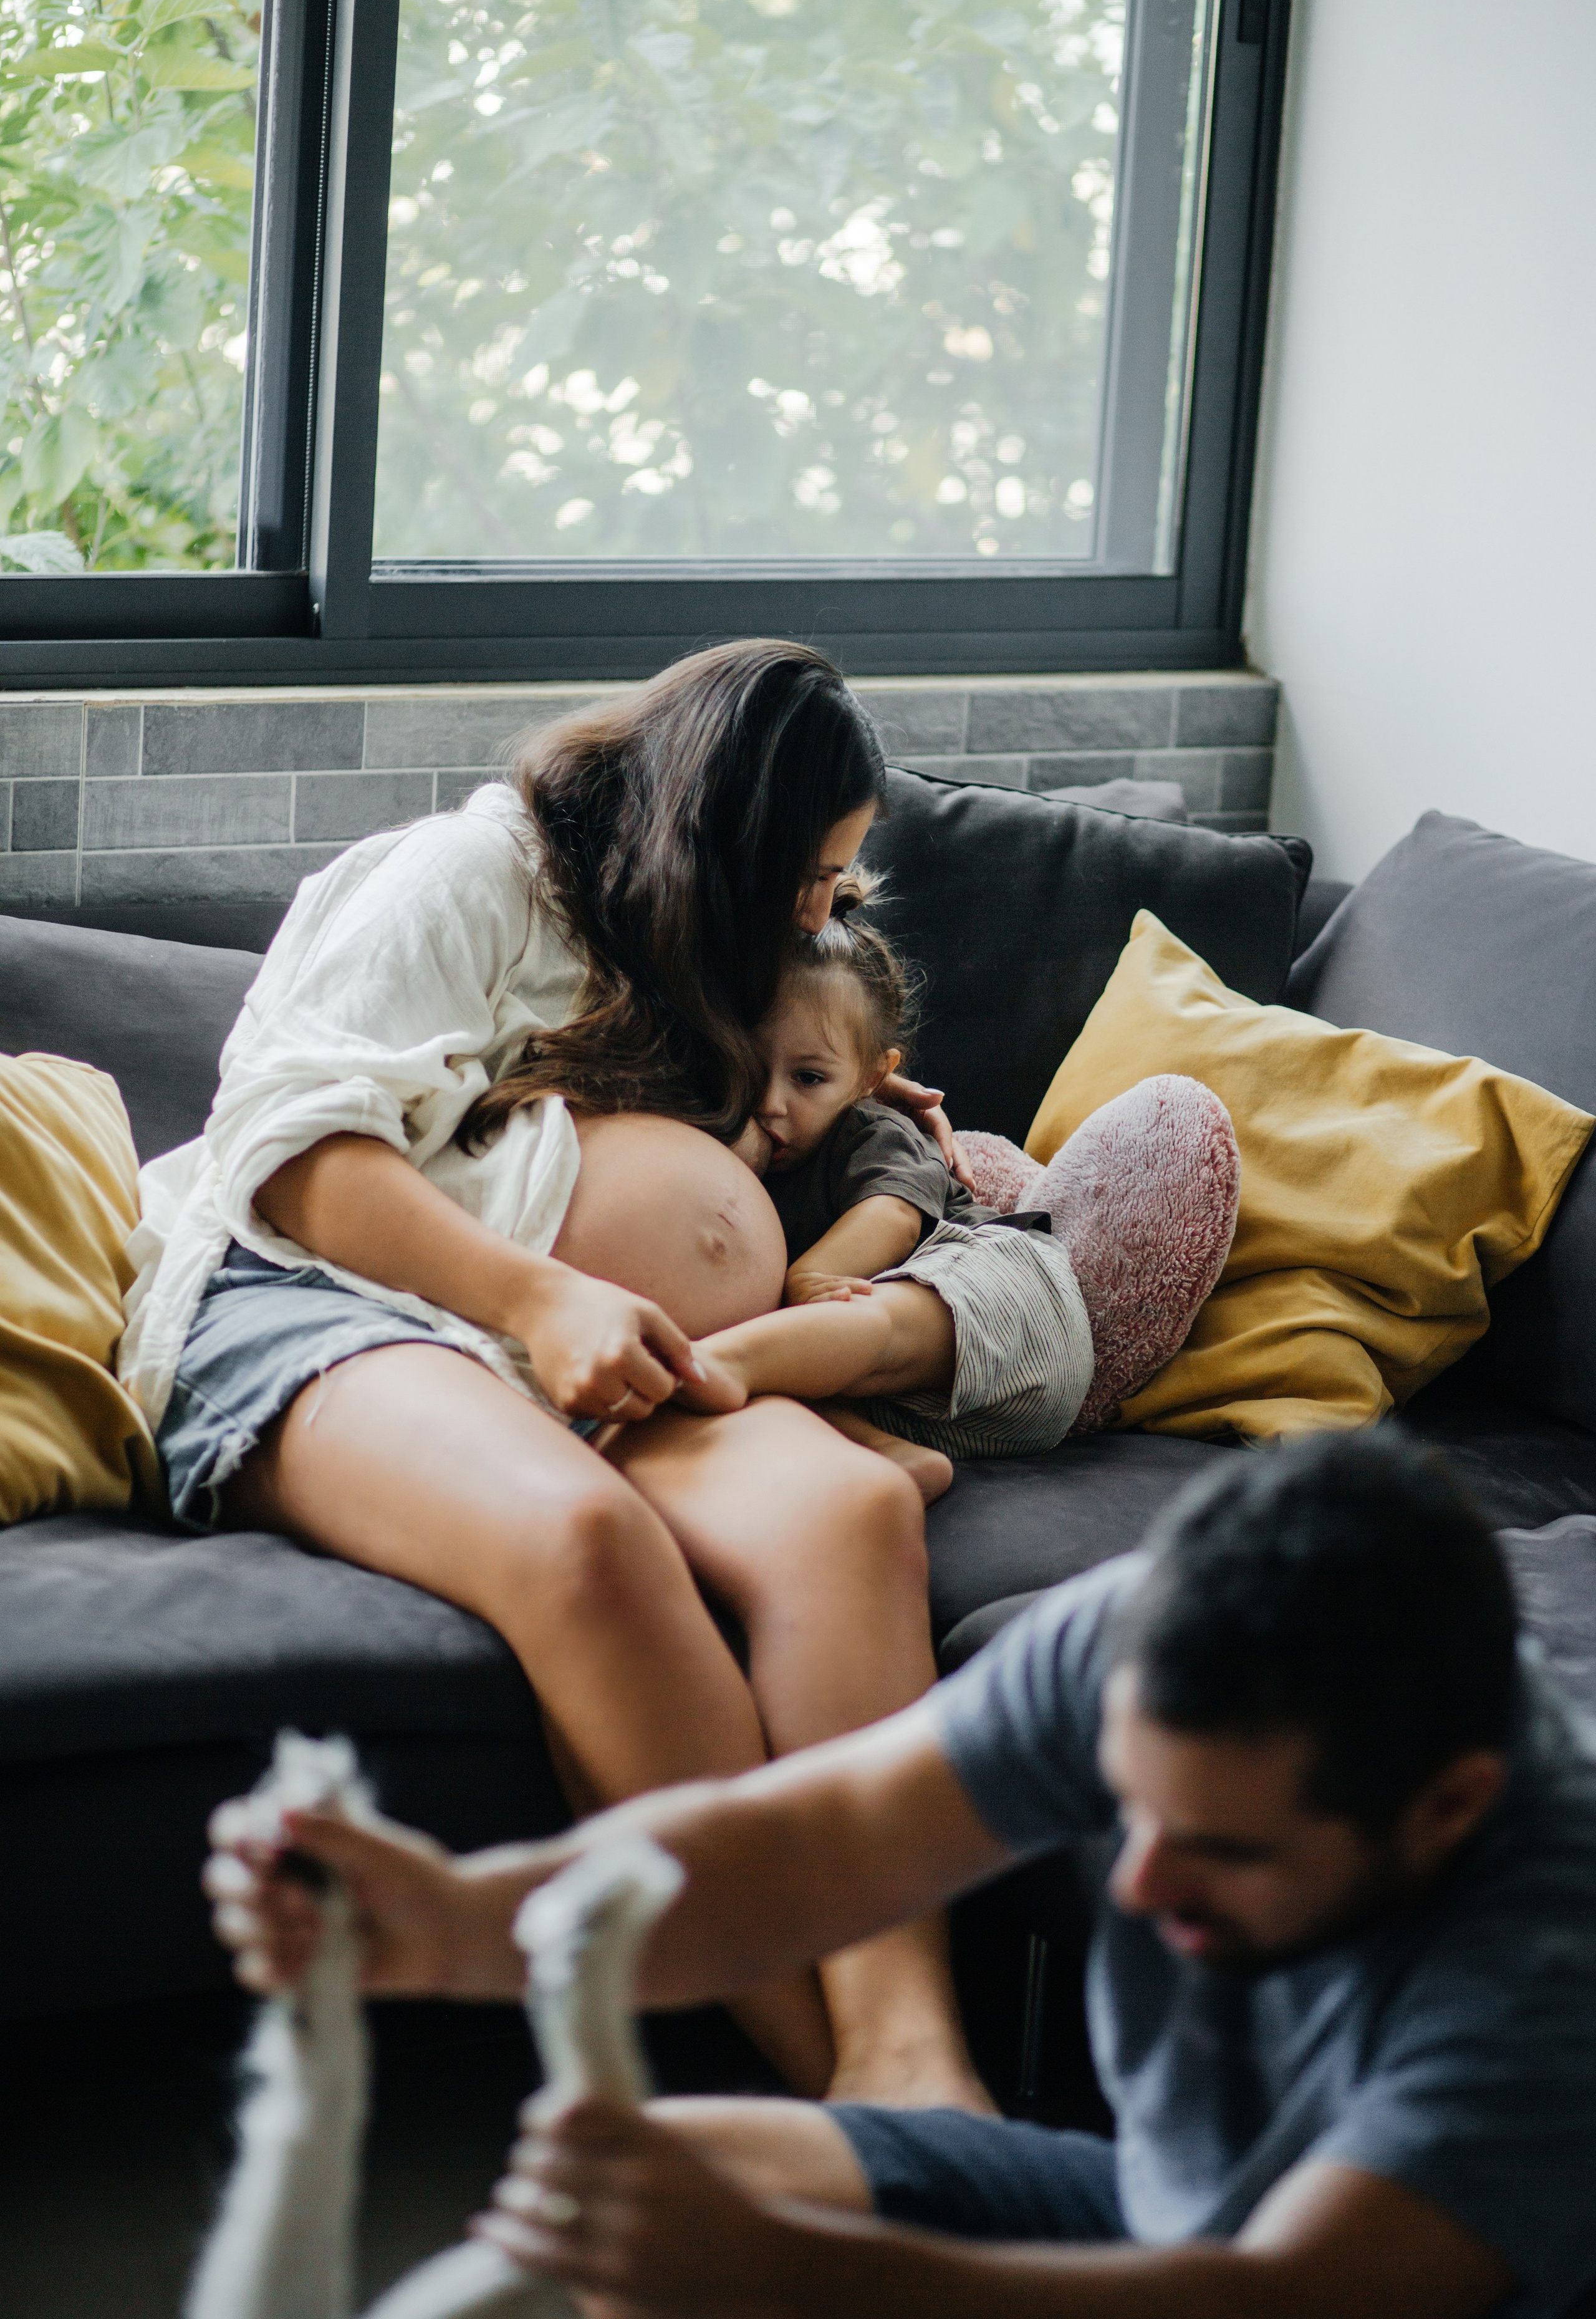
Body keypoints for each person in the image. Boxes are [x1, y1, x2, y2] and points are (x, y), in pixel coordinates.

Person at [123, 637, 991, 2105]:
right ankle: (846, 2112)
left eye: (837, 883)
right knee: (586, 1542)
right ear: (706, 835)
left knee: (848, 1514)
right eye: (803, 876)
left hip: (564, 1343)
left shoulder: (693, 941)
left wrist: (845, 1081)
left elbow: (774, 1046)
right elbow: (292, 1155)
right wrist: (541, 1298)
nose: (817, 909)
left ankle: (914, 2057)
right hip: (310, 1295)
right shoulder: (466, 874)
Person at [206, 1433, 1596, 2319]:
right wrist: (454, 1923)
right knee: (664, 2189)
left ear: (1447, 1810)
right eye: (1130, 1809)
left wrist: (800, 2276)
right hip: (1162, 2210)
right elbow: (804, 1847)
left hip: (1319, 2284)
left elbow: (1282, 2300)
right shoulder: (1152, 1645)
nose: (1134, 1882)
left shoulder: (1554, 1965)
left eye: (1223, 1851)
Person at [681, 882, 1235, 1500]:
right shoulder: (747, 1149)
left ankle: (710, 1363)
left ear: (871, 1078)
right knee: (796, 1378)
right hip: (935, 1410)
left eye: (808, 1078)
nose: (770, 1103)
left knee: (858, 1322)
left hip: (1012, 1303)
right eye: (750, 1068)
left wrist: (808, 1278)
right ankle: (888, 1456)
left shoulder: (874, 1131)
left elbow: (892, 1218)